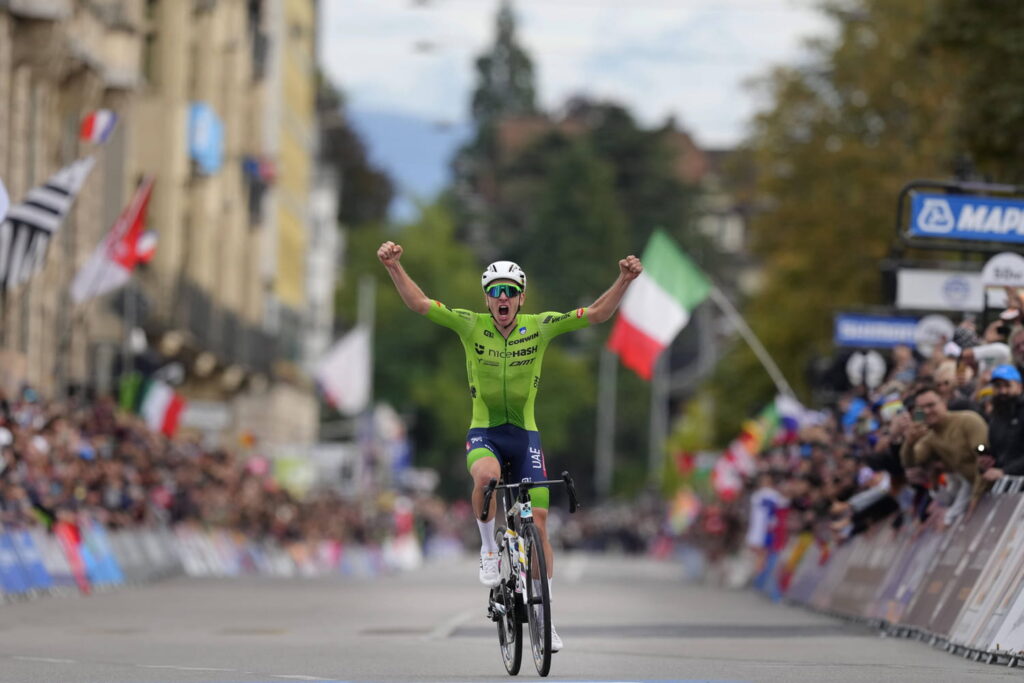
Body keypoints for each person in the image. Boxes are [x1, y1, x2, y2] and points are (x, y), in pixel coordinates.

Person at [377, 240, 643, 653]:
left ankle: (544, 616)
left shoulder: (540, 325)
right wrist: (394, 267)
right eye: (495, 291)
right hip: (485, 430)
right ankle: (487, 549)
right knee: (487, 477)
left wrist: (624, 280)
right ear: (486, 298)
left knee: (538, 522)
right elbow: (420, 304)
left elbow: (595, 314)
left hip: (525, 435)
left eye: (510, 291)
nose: (503, 298)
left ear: (521, 297)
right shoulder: (469, 324)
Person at [900, 385, 988, 527]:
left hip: (996, 487)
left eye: (931, 405)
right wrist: (909, 443)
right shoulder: (930, 438)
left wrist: (975, 499)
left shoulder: (968, 421)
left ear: (943, 403)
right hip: (972, 490)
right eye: (922, 408)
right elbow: (910, 462)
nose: (927, 411)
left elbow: (984, 458)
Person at [980, 365, 1024, 482]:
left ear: (1020, 387)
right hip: (1006, 483)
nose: (1002, 391)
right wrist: (986, 455)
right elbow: (997, 450)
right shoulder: (995, 417)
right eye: (998, 386)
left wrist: (1005, 471)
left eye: (1007, 385)